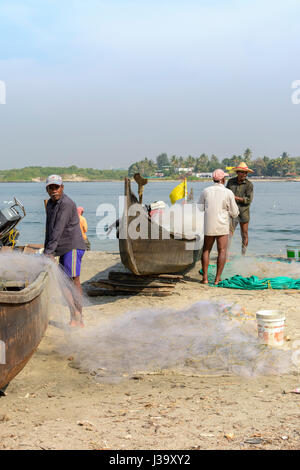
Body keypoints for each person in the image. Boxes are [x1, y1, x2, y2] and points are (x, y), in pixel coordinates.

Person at [44, 175, 86, 327]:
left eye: (57, 187)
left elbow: (59, 229)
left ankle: (79, 316)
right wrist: (47, 251)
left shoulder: (67, 204)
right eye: (51, 187)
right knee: (62, 282)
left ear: (62, 187)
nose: (54, 190)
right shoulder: (49, 204)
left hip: (73, 245)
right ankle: (73, 313)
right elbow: (49, 230)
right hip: (61, 248)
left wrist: (49, 252)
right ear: (47, 189)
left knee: (73, 280)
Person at [199, 169, 239, 285]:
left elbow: (199, 208)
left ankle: (205, 278)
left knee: (206, 250)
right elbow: (235, 212)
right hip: (222, 225)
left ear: (213, 179)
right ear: (223, 179)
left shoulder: (206, 191)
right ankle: (217, 279)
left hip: (209, 224)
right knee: (222, 251)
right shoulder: (228, 193)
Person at [226, 162, 254, 255]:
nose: (245, 174)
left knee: (244, 234)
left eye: (246, 173)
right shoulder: (230, 182)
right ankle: (225, 254)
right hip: (232, 212)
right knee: (229, 234)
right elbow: (226, 195)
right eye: (243, 172)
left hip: (243, 212)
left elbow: (249, 200)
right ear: (238, 172)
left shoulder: (249, 185)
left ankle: (243, 255)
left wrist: (235, 198)